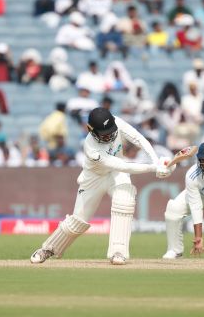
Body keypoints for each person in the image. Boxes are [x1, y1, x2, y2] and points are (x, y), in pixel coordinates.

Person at [30, 108, 175, 265]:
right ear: (91, 131)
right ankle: (48, 249)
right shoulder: (91, 148)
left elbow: (138, 138)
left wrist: (156, 160)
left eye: (111, 131)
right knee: (77, 222)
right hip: (94, 178)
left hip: (116, 174)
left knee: (125, 199)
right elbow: (122, 165)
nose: (110, 136)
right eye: (104, 134)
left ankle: (118, 251)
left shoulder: (116, 122)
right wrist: (154, 168)